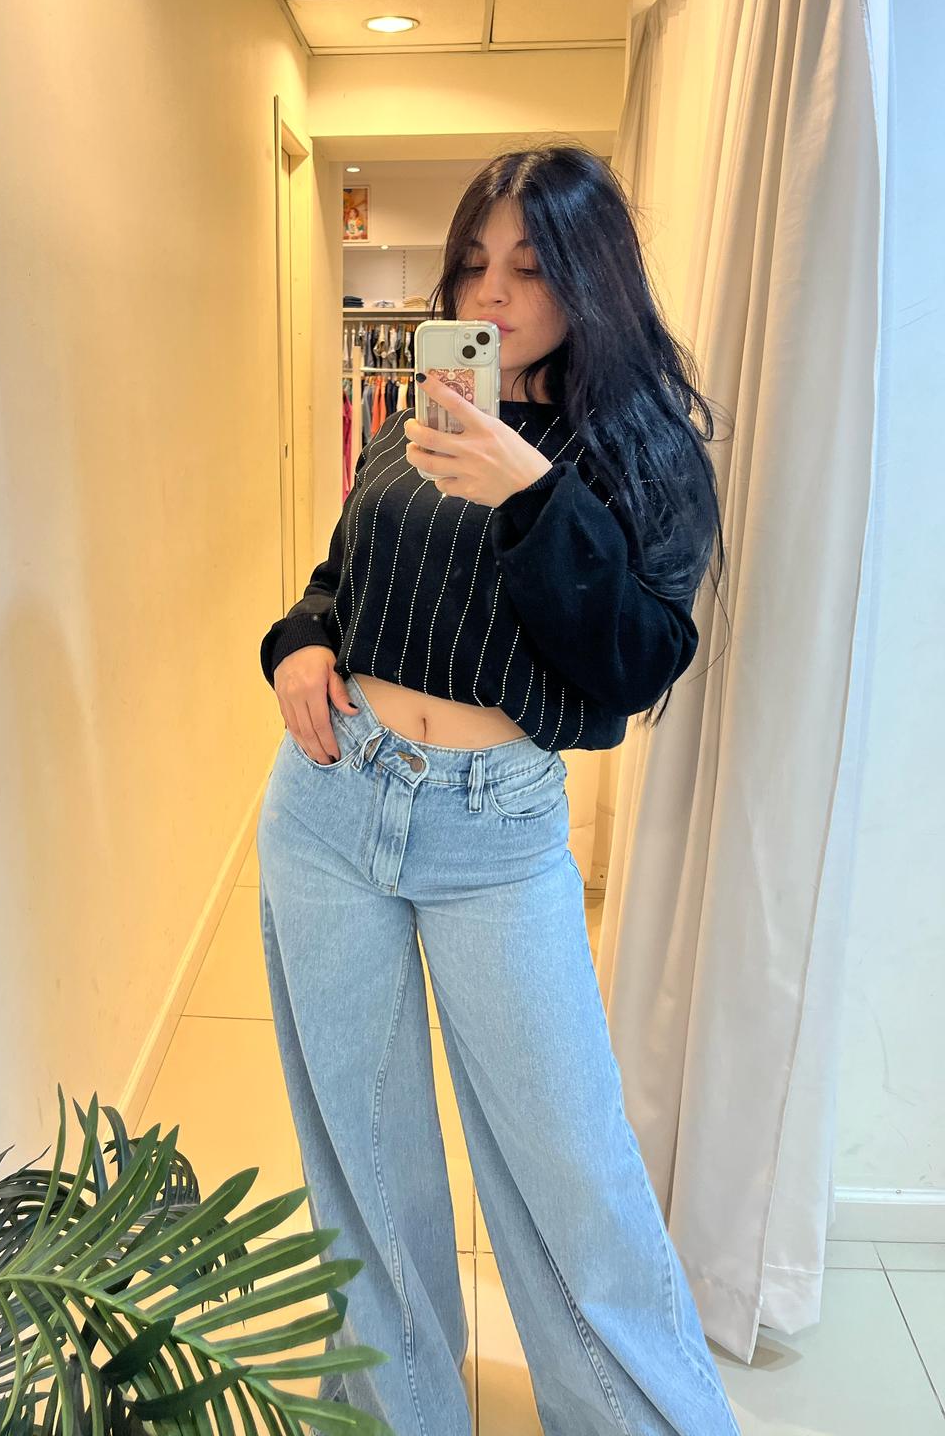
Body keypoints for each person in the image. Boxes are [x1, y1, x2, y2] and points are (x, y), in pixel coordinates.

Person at [256, 144, 738, 1436]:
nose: (494, 290)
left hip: (493, 831)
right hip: (331, 800)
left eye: (531, 264)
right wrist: (298, 640)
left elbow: (636, 662)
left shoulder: (639, 451)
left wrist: (532, 493)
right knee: (364, 1163)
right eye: (476, 260)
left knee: (572, 1169)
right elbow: (347, 571)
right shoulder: (429, 408)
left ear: (595, 277)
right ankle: (394, 1414)